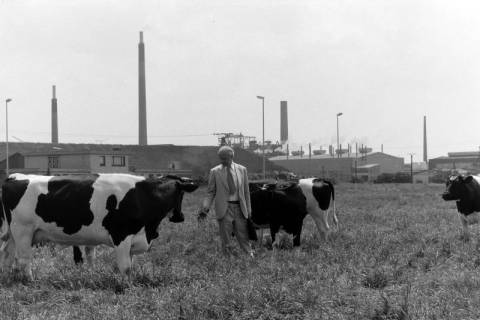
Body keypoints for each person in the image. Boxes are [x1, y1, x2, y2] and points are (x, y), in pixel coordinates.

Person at [199, 146, 254, 257]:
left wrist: (248, 209)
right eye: (221, 158)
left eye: (224, 158)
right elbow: (210, 192)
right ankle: (228, 263)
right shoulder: (214, 171)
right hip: (224, 209)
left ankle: (250, 258)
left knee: (244, 236)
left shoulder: (242, 170)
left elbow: (246, 191)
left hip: (240, 208)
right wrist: (205, 208)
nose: (222, 160)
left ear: (231, 156)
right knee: (226, 240)